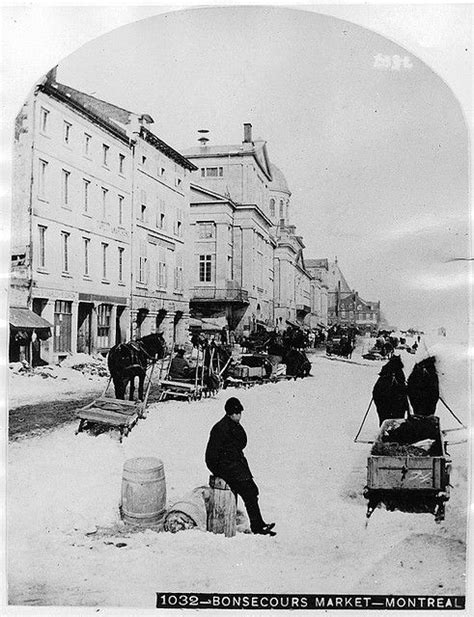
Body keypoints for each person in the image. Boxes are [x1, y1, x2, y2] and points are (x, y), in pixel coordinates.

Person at [205, 397, 276, 536]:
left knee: (252, 490)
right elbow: (211, 457)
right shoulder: (220, 428)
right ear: (229, 413)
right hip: (227, 469)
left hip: (236, 466)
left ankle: (259, 523)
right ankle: (258, 526)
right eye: (236, 413)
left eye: (240, 413)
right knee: (249, 491)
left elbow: (241, 443)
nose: (239, 416)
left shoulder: (234, 425)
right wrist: (222, 473)